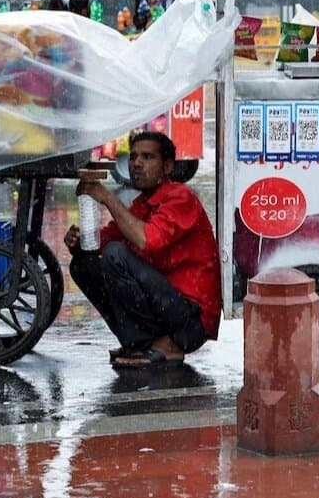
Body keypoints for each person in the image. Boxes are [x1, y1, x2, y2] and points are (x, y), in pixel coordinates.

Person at [64, 131, 221, 368]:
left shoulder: (181, 197)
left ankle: (167, 345)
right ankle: (140, 343)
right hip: (167, 306)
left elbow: (147, 240)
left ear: (167, 167)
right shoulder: (142, 205)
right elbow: (103, 242)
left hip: (191, 320)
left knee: (115, 254)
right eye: (134, 157)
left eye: (147, 157)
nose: (136, 163)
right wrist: (79, 242)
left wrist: (106, 197)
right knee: (83, 265)